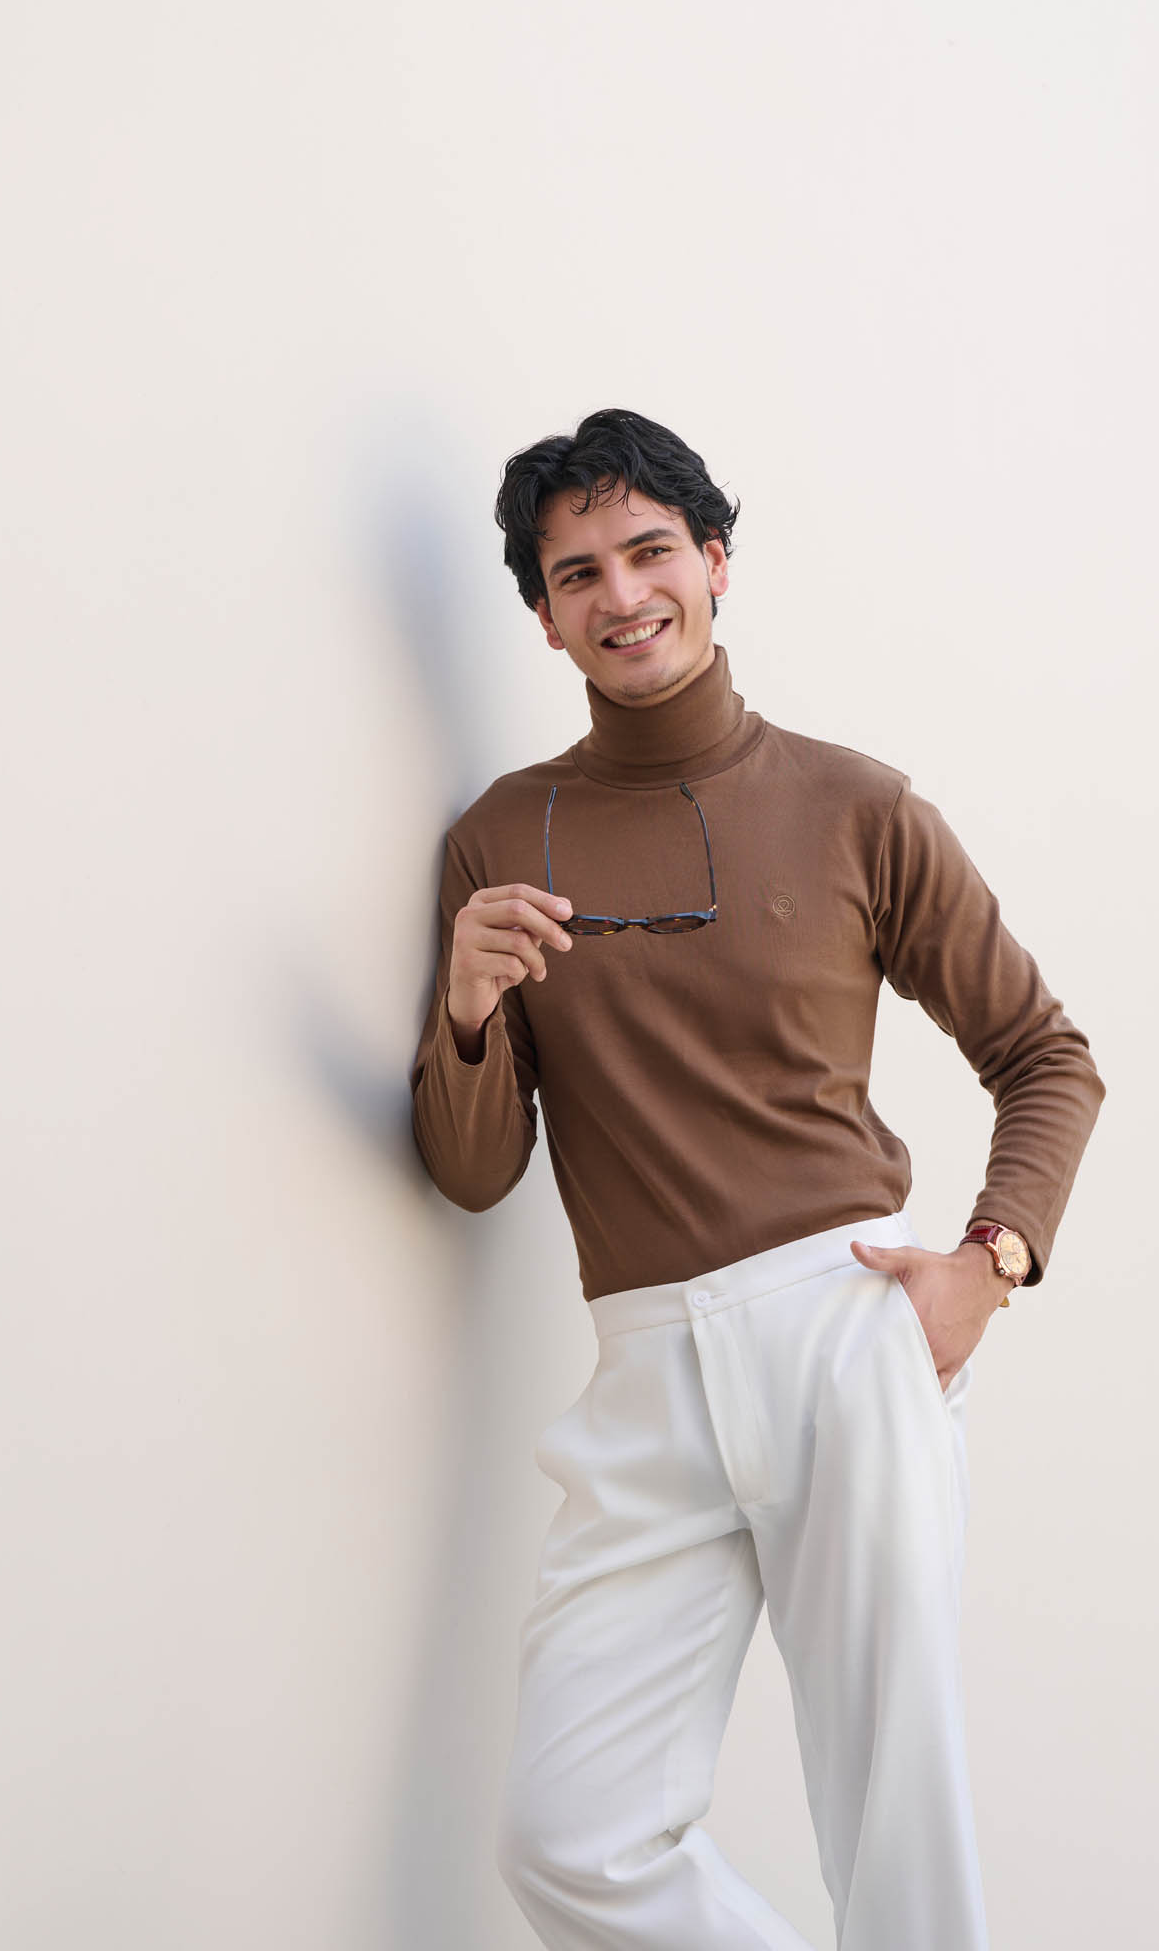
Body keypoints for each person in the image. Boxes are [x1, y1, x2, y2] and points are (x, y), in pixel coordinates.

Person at [408, 408, 1104, 1951]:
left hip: (842, 1324)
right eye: (574, 570)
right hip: (645, 1369)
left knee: (891, 1815)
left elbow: (1046, 1056)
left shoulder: (854, 806)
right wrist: (463, 1011)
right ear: (541, 615)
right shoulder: (494, 838)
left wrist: (979, 1273)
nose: (620, 592)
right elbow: (471, 1176)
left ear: (715, 565)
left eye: (650, 551)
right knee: (568, 1836)